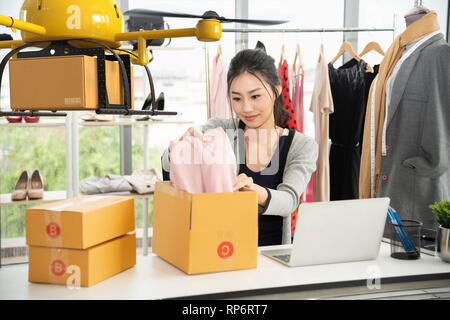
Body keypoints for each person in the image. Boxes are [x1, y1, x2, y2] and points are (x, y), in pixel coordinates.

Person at [162, 48, 318, 246]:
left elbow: (289, 201)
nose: (246, 108)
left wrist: (256, 191)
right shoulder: (220, 130)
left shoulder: (302, 146)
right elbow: (168, 167)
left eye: (255, 97)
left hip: (272, 258)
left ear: (276, 90)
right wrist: (180, 148)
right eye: (237, 98)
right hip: (222, 250)